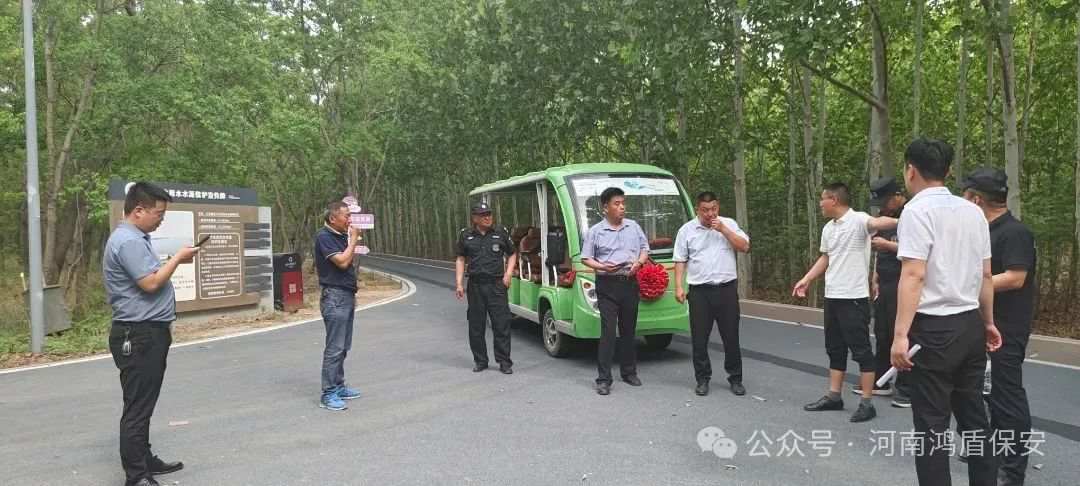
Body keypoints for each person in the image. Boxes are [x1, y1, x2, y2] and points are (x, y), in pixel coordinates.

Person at [891, 138, 1002, 486]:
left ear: (910, 170)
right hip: (970, 325)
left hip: (933, 330)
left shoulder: (916, 211)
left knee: (931, 427)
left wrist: (899, 336)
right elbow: (986, 274)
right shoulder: (973, 212)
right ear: (949, 171)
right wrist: (988, 322)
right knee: (974, 419)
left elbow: (914, 274)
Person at [104, 182, 195, 486]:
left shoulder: (134, 238)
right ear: (139, 210)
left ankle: (144, 459)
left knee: (143, 403)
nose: (161, 220)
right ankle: (136, 474)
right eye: (159, 214)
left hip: (146, 333)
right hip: (139, 334)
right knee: (138, 408)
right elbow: (151, 283)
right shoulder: (128, 241)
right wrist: (177, 259)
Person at [793, 182, 897, 423]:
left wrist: (907, 218)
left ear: (834, 200)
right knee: (835, 348)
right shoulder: (828, 228)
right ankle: (834, 396)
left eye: (822, 198)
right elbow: (826, 257)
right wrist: (806, 279)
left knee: (861, 350)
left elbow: (879, 223)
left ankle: (867, 403)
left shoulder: (858, 220)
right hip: (833, 296)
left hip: (854, 298)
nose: (820, 203)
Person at [961, 167, 1036, 486]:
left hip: (1006, 328)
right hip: (979, 324)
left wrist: (971, 283)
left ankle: (1012, 470)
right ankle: (988, 451)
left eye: (965, 195)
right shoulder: (982, 231)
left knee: (1006, 397)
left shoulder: (1014, 233)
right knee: (983, 392)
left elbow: (1016, 277)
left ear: (976, 199)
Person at [673, 191, 751, 397]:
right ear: (697, 209)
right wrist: (679, 286)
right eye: (705, 210)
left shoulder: (729, 224)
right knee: (699, 339)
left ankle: (735, 378)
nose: (710, 214)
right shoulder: (686, 230)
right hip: (699, 292)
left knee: (731, 337)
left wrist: (723, 229)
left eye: (713, 209)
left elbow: (744, 246)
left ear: (718, 207)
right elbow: (680, 259)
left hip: (726, 290)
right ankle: (702, 379)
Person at [581, 187, 650, 395]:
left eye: (623, 203)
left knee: (629, 330)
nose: (622, 207)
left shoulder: (633, 227)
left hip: (629, 283)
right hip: (607, 285)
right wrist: (602, 266)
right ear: (606, 207)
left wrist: (639, 263)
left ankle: (629, 372)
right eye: (616, 204)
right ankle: (604, 379)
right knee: (609, 332)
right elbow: (586, 258)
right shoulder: (596, 231)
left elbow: (645, 248)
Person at [855, 176, 912, 407]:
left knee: (905, 334)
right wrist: (875, 277)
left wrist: (889, 246)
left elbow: (920, 250)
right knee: (883, 332)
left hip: (905, 281)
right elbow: (879, 249)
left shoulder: (912, 214)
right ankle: (882, 380)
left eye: (886, 202)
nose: (883, 207)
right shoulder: (885, 219)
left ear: (897, 196)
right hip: (885, 281)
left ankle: (907, 388)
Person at [454, 201, 518, 374]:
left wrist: (508, 274)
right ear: (474, 218)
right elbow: (460, 258)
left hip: (497, 285)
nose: (487, 217)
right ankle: (480, 360)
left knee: (501, 324)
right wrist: (459, 283)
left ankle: (504, 362)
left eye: (489, 214)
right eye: (483, 215)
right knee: (476, 326)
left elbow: (512, 254)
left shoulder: (500, 232)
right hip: (475, 285)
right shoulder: (466, 235)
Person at [313, 201, 363, 411]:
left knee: (344, 346)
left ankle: (339, 386)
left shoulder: (341, 236)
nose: (349, 219)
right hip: (334, 297)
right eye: (346, 215)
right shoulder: (324, 237)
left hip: (346, 295)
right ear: (333, 218)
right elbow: (342, 262)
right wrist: (353, 240)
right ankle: (328, 393)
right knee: (335, 348)